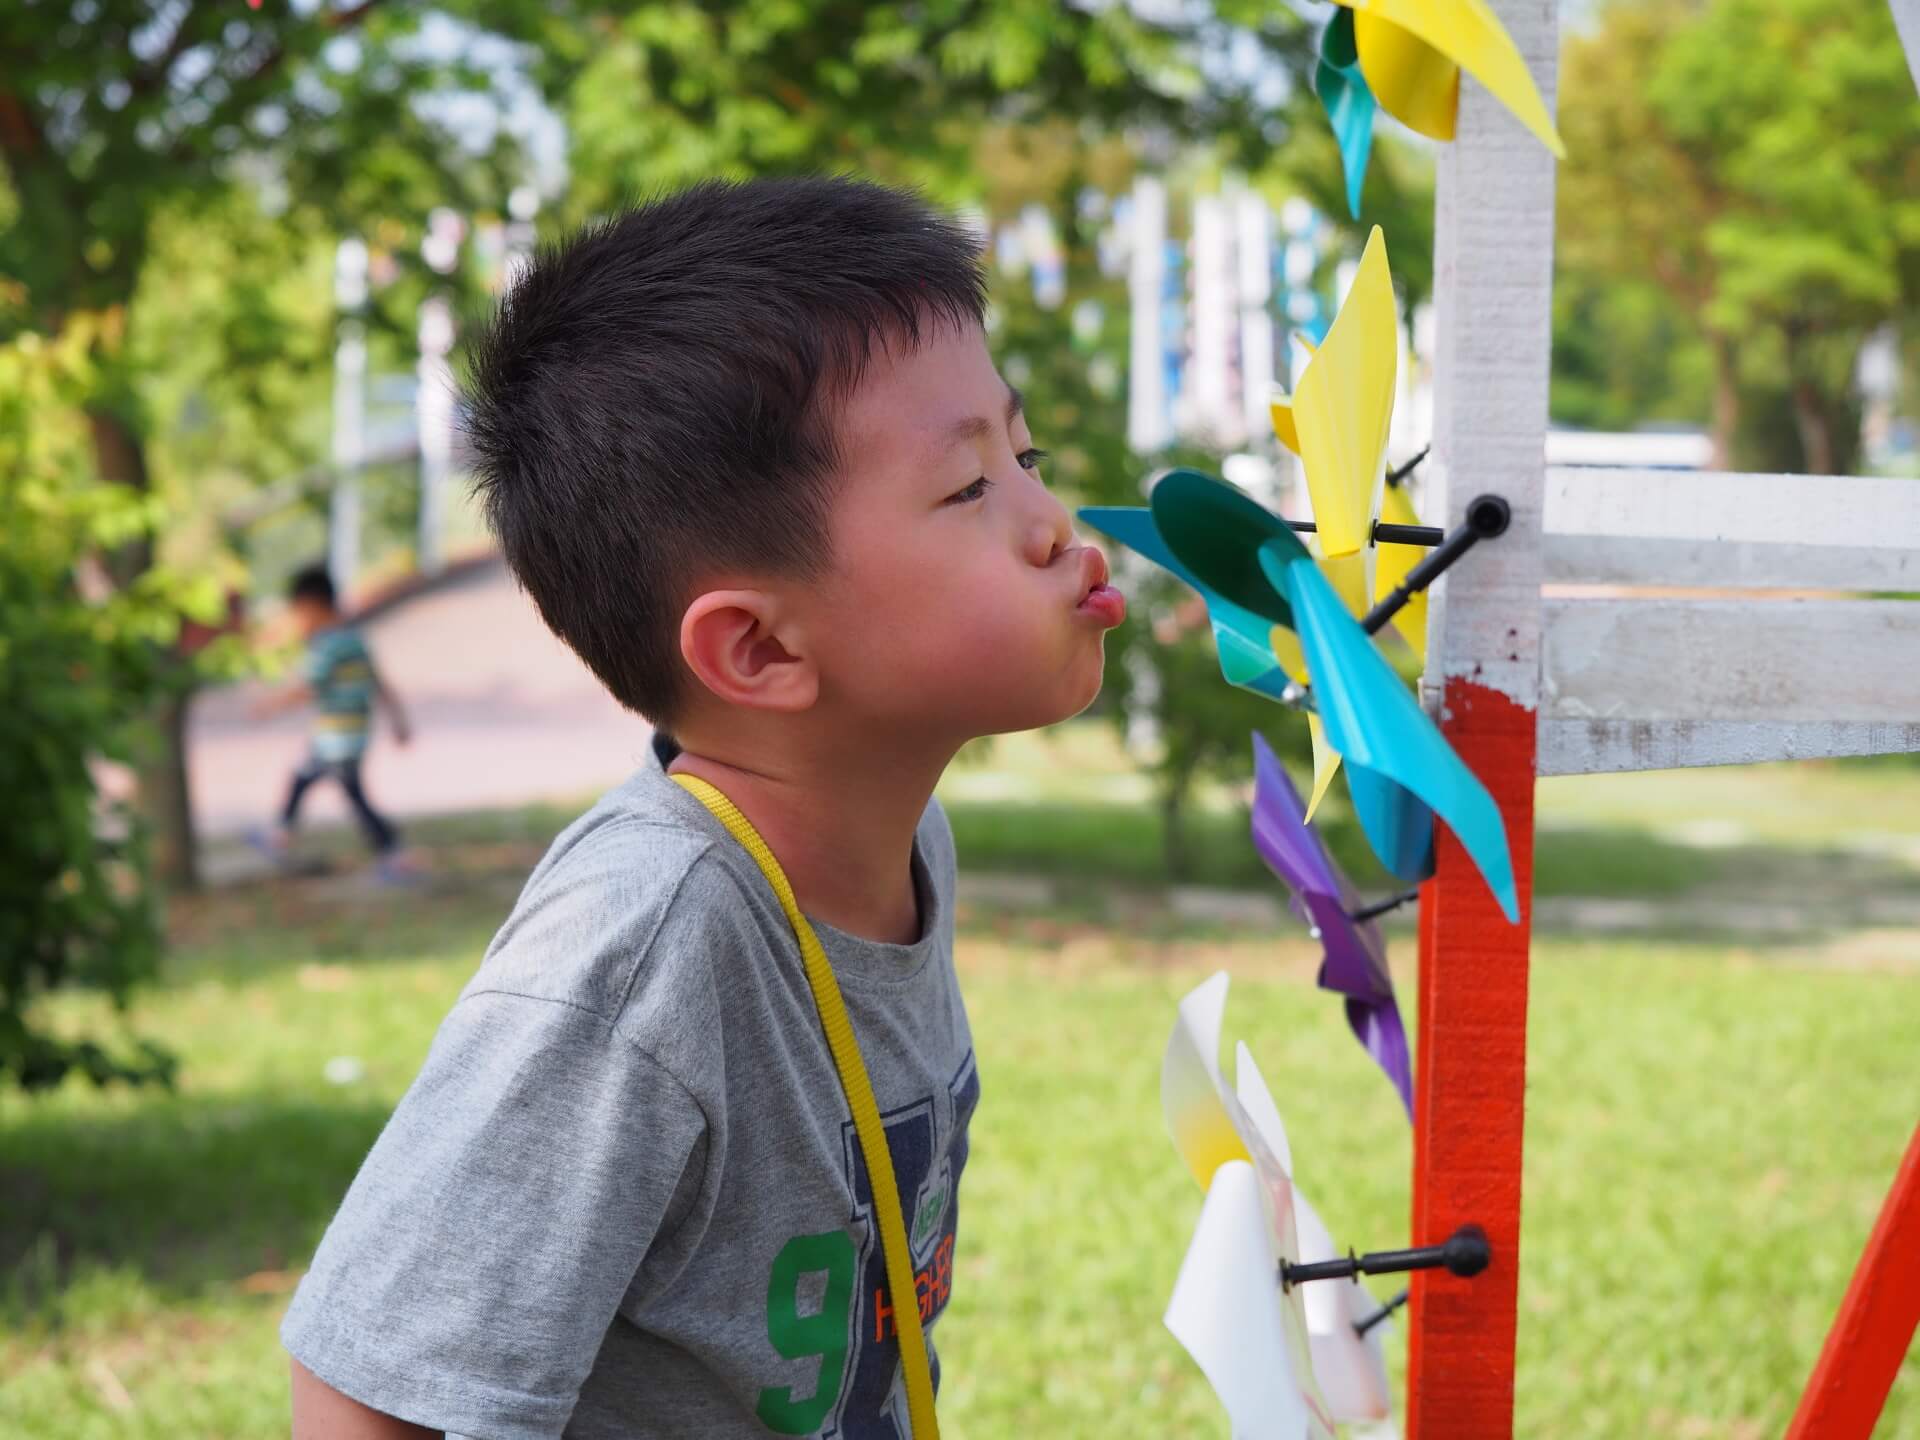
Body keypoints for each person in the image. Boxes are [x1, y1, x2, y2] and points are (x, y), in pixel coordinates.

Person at [282, 177, 1125, 1440]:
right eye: (968, 489)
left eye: (1027, 455)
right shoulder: (644, 949)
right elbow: (361, 1396)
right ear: (760, 653)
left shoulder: (893, 838)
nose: (1054, 523)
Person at [252, 563, 411, 874]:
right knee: (317, 783)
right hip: (346, 734)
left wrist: (270, 706)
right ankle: (281, 836)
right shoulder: (353, 639)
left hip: (338, 738)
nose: (298, 622)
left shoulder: (328, 645)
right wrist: (398, 720)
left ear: (312, 606)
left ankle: (395, 854)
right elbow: (380, 682)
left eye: (299, 613)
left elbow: (307, 687)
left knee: (335, 790)